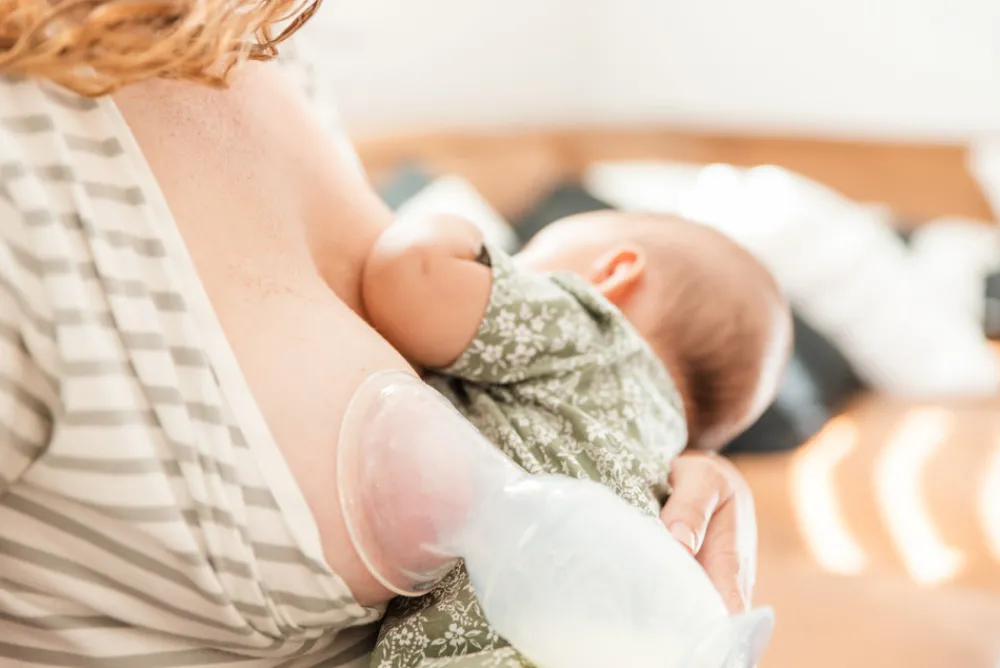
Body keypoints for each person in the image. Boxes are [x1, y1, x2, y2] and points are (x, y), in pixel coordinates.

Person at [0, 2, 765, 665]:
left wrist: (676, 492)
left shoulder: (260, 42)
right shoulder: (24, 167)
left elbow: (416, 278)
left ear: (616, 277)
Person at [362, 211, 790, 665]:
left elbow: (411, 274)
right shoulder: (660, 475)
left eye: (520, 257)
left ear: (613, 275)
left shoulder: (592, 330)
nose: (501, 273)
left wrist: (458, 230)